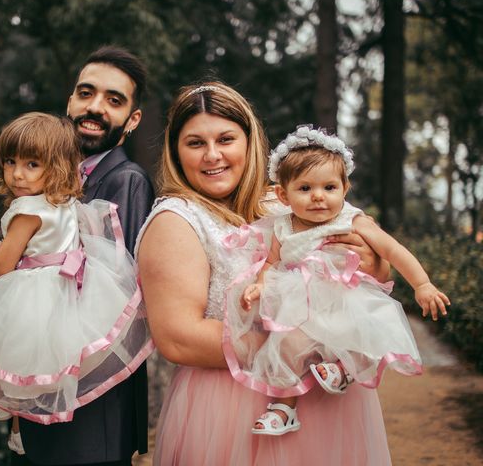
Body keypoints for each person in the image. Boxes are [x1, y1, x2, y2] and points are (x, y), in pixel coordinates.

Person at [137, 82, 393, 465]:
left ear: (250, 141)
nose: (212, 155)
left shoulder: (292, 198)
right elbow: (179, 340)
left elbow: (373, 262)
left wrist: (372, 262)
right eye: (195, 143)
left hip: (328, 407)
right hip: (233, 408)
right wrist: (304, 342)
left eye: (226, 139)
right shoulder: (177, 220)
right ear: (176, 150)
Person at [223, 124, 449, 436]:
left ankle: (343, 370)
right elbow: (272, 262)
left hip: (343, 296)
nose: (318, 197)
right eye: (305, 189)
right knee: (286, 346)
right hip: (300, 304)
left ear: (345, 188)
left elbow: (393, 250)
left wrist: (422, 284)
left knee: (358, 331)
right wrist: (261, 284)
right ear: (282, 194)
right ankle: (285, 407)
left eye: (329, 188)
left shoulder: (351, 220)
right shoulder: (283, 227)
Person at [0, 112, 152, 455]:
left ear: (58, 166)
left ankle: (3, 403)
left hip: (34, 291)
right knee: (48, 362)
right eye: (10, 161)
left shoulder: (27, 211)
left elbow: (5, 263)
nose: (17, 174)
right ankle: (20, 422)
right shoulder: (63, 203)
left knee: (7, 343)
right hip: (65, 293)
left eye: (32, 164)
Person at [13, 46, 154, 466]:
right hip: (51, 386)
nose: (95, 107)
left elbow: (118, 296)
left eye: (114, 100)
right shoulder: (47, 182)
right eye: (86, 93)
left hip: (94, 402)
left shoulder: (125, 180)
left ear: (132, 120)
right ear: (70, 102)